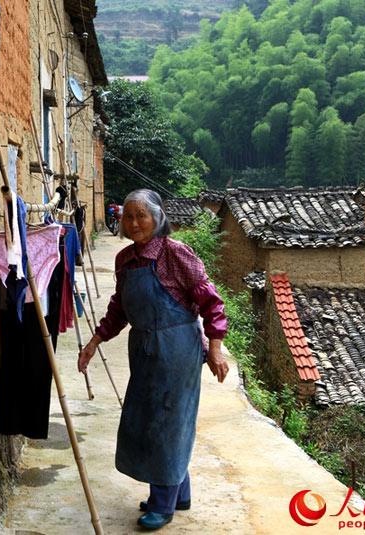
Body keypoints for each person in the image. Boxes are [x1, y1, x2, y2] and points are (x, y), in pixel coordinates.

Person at [77, 189, 229, 531]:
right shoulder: (125, 260)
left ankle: (162, 504)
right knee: (150, 420)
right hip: (144, 349)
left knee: (167, 423)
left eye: (141, 216)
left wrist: (215, 348)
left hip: (177, 349)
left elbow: (212, 302)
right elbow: (119, 310)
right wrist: (95, 341)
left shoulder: (175, 253)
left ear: (157, 218)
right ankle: (178, 493)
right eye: (128, 217)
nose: (134, 223)